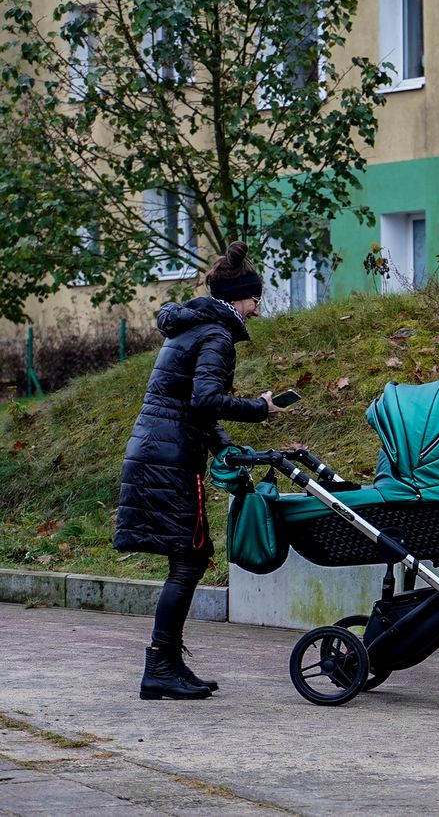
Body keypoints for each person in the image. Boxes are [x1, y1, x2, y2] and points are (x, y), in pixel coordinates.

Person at [114, 240, 286, 700]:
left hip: (158, 450)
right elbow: (205, 400)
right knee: (189, 559)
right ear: (237, 298)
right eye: (254, 299)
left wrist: (226, 446)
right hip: (170, 458)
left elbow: (191, 405)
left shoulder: (189, 328)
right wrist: (260, 408)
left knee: (187, 559)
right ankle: (159, 667)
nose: (256, 309)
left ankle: (168, 664)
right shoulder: (217, 335)